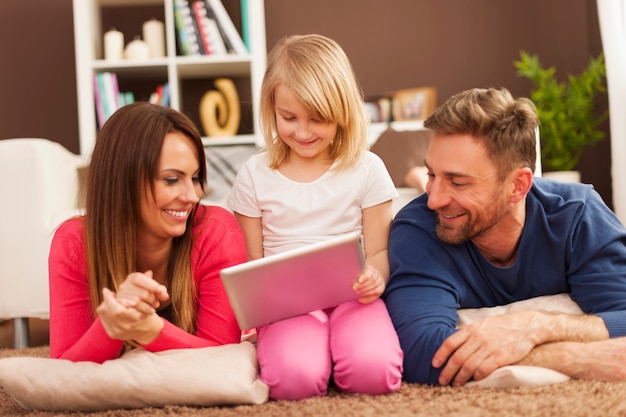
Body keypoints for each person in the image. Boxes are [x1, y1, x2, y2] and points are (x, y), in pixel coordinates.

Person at [383, 87, 626, 386]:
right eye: (432, 175)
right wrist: (568, 356)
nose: (434, 200)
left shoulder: (577, 215)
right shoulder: (418, 229)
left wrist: (535, 326)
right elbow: (420, 353)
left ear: (518, 185)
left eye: (458, 182)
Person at [228, 34, 403, 400]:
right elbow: (251, 263)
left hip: (354, 298)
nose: (303, 132)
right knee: (293, 380)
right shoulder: (254, 174)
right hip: (285, 306)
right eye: (288, 118)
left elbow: (380, 252)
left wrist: (376, 276)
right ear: (271, 108)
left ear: (342, 112)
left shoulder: (367, 169)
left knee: (374, 373)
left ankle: (336, 348)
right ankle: (318, 350)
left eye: (318, 119)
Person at [48, 102, 247, 363]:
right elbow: (63, 371)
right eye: (172, 179)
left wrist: (152, 332)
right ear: (122, 183)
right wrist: (111, 326)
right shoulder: (73, 242)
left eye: (196, 178)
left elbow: (224, 358)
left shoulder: (217, 232)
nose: (193, 195)